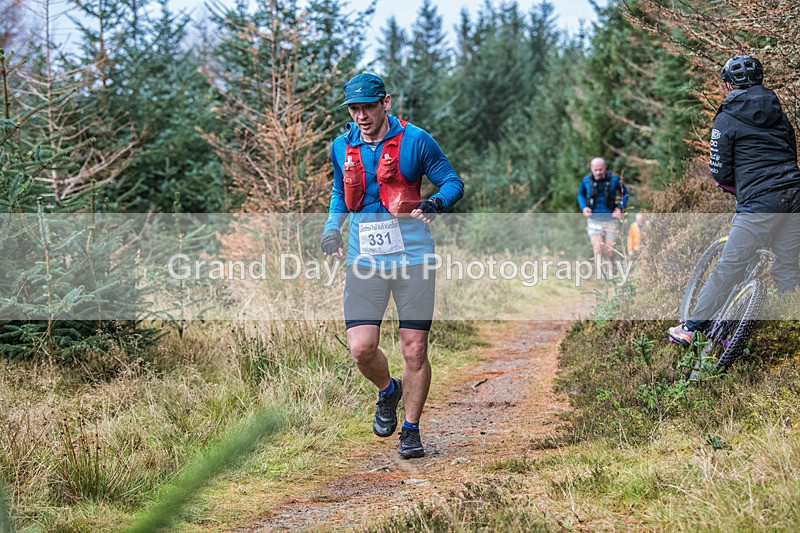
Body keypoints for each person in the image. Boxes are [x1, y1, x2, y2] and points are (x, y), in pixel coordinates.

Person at [320, 73, 464, 459]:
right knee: (361, 348)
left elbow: (453, 182)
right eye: (354, 109)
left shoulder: (416, 140)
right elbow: (339, 192)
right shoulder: (341, 146)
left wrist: (436, 203)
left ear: (385, 102)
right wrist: (332, 229)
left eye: (368, 107)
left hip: (414, 259)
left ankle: (411, 430)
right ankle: (388, 391)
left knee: (414, 349)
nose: (361, 116)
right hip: (364, 260)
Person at [668, 55, 800, 347]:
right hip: (794, 194)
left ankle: (691, 328)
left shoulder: (726, 117)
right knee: (788, 268)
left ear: (729, 84)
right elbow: (791, 151)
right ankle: (791, 336)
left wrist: (735, 187)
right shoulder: (778, 112)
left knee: (729, 266)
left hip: (760, 201)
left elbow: (720, 170)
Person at [577, 157, 629, 272]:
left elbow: (625, 194)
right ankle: (601, 275)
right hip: (593, 219)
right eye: (595, 170)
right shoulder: (586, 181)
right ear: (591, 168)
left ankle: (611, 269)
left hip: (611, 219)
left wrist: (620, 208)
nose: (598, 172)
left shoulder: (614, 180)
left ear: (605, 168)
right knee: (598, 247)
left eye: (600, 169)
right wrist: (584, 207)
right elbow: (580, 194)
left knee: (610, 249)